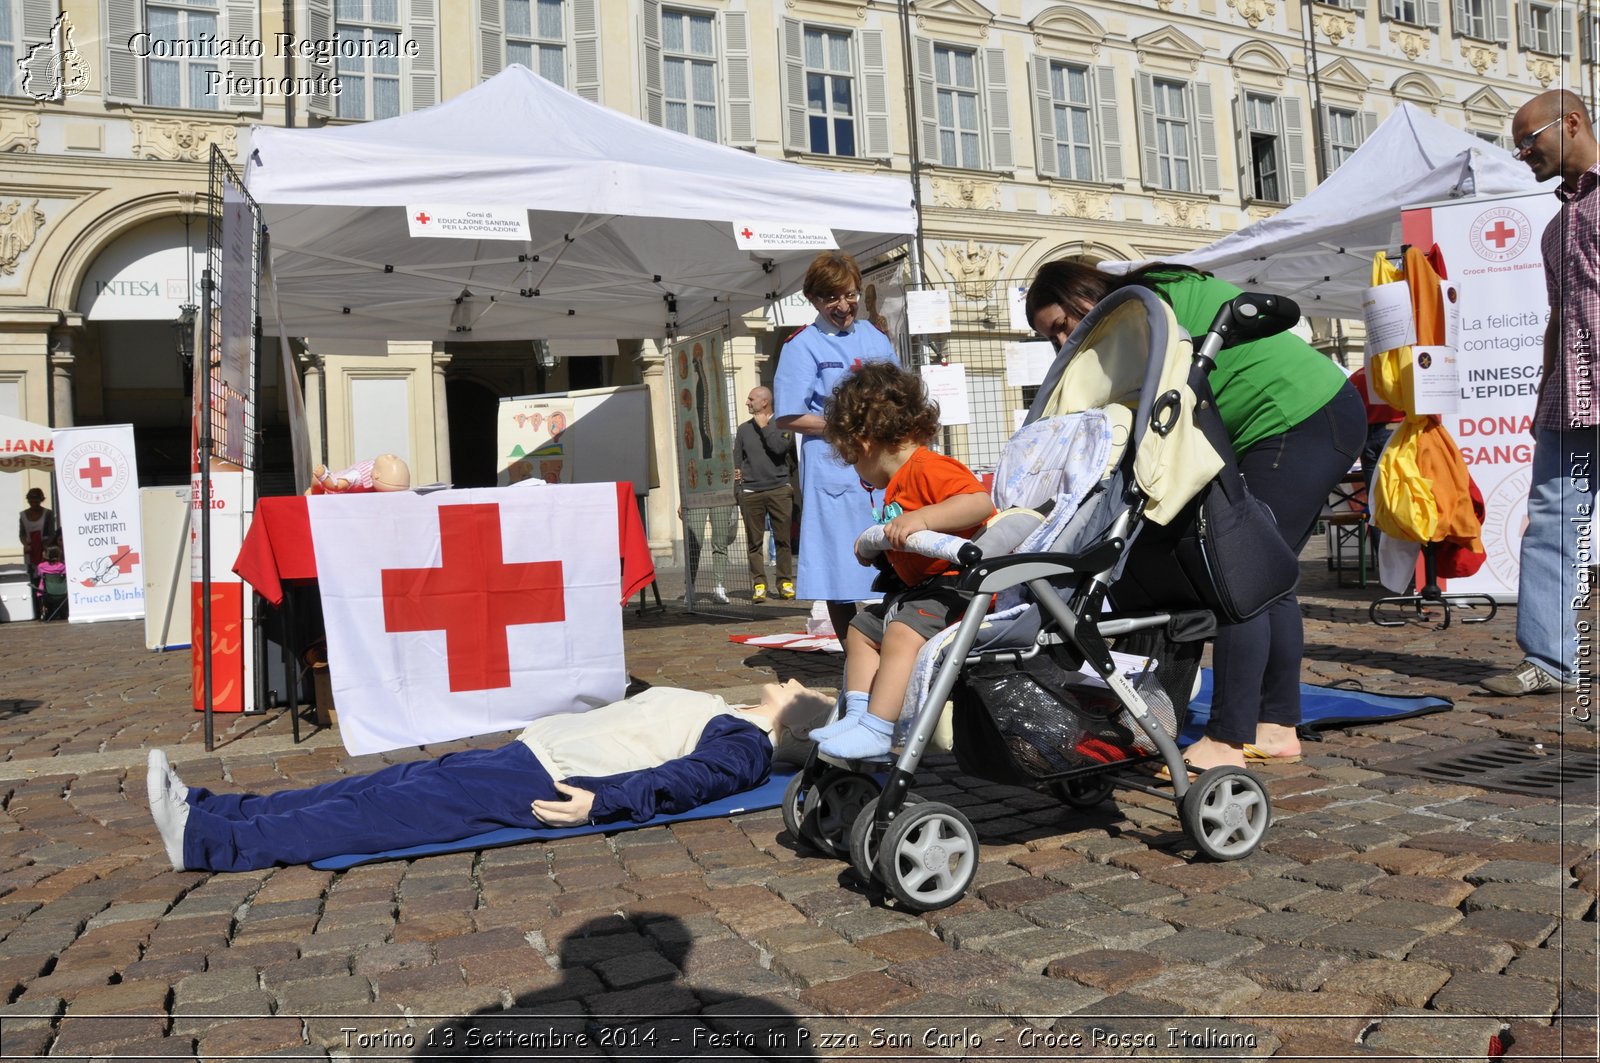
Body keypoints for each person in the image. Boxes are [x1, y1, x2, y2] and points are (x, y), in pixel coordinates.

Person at [1027, 260, 1364, 772]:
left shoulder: (1149, 308)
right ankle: (1277, 727)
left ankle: (1229, 740)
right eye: (1051, 338)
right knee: (1268, 572)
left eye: (1062, 326)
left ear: (1083, 294)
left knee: (1241, 563)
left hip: (1302, 415)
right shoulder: (1142, 308)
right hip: (1261, 429)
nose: (1064, 343)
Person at [146, 679, 834, 872]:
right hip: (525, 756)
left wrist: (603, 802)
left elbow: (692, 781)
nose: (795, 675)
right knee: (372, 789)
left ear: (796, 722)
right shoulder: (719, 707)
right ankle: (221, 809)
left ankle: (210, 842)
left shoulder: (743, 741)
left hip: (546, 781)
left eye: (804, 687)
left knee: (375, 817)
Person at [805, 362, 994, 760]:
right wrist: (875, 547)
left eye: (852, 458)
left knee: (901, 633)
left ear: (865, 442)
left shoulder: (928, 467)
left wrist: (923, 519)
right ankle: (858, 714)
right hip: (921, 592)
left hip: (958, 588)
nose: (857, 471)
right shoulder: (897, 486)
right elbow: (902, 538)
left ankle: (879, 727)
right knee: (861, 628)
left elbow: (978, 502)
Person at [1482, 91, 1598, 696]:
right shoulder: (1556, 227)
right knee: (1552, 522)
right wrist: (1542, 392)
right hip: (1568, 398)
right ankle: (1552, 663)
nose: (1522, 153)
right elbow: (1559, 315)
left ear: (1571, 123)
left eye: (1529, 140)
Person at [774, 251, 900, 638]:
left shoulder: (875, 336)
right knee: (838, 564)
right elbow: (789, 416)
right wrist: (846, 426)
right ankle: (853, 654)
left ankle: (894, 644)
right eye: (832, 299)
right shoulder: (801, 346)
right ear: (813, 300)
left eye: (850, 295)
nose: (844, 306)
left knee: (893, 554)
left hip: (881, 465)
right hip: (834, 469)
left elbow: (898, 393)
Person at [734, 386, 796, 603]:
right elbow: (737, 462)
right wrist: (739, 492)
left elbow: (779, 448)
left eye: (751, 399)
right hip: (751, 492)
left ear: (764, 402)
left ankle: (785, 583)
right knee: (754, 542)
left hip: (779, 489)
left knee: (782, 540)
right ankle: (759, 584)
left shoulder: (783, 425)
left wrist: (765, 428)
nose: (747, 402)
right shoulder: (743, 430)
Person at [18, 487, 57, 607]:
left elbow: (52, 533)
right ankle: (35, 606)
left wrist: (46, 546)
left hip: (45, 551)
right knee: (32, 576)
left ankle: (48, 604)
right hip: (30, 551)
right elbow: (22, 534)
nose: (34, 503)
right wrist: (25, 544)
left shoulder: (48, 514)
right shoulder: (23, 515)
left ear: (41, 500)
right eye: (31, 501)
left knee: (46, 576)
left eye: (36, 501)